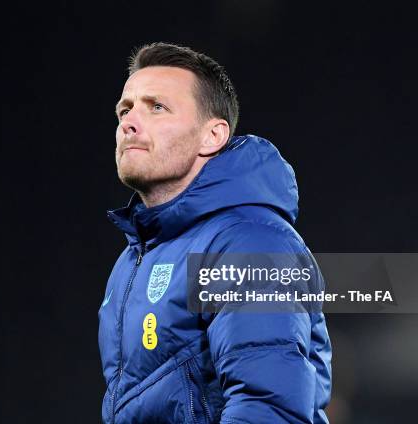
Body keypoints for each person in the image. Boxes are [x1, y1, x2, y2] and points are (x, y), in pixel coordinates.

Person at [98, 42, 332, 423]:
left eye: (157, 107)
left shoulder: (248, 243)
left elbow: (268, 409)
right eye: (125, 109)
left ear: (213, 136)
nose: (129, 122)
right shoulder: (133, 260)